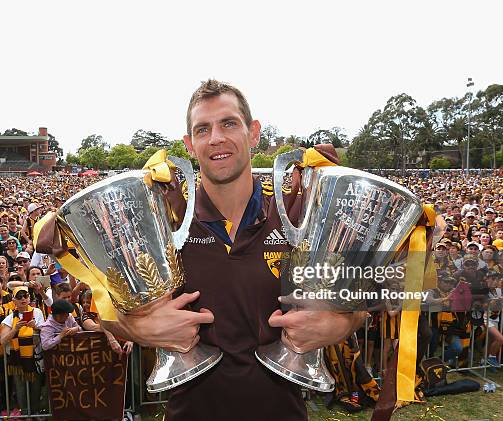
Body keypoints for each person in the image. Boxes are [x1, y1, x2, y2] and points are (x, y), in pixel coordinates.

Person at [103, 79, 364, 420]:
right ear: (190, 145)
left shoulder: (295, 213)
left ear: (253, 133)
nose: (216, 138)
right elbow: (108, 311)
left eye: (229, 123)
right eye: (203, 129)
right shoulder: (165, 218)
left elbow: (357, 303)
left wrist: (344, 324)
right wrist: (134, 328)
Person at [0, 286, 45, 415]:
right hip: (18, 361)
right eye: (19, 297)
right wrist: (15, 329)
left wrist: (35, 326)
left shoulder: (37, 312)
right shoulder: (10, 317)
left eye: (25, 296)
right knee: (20, 390)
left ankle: (35, 413)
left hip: (35, 358)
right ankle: (25, 414)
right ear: (14, 300)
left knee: (35, 389)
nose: (23, 299)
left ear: (29, 297)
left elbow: (45, 331)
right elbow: (3, 340)